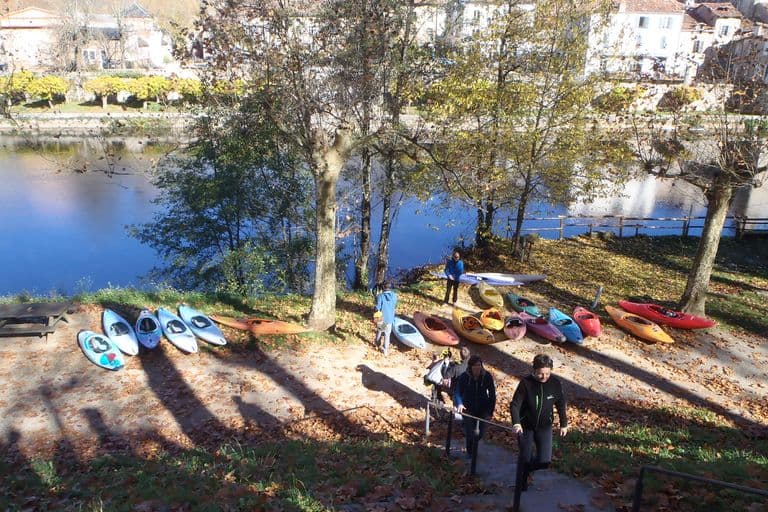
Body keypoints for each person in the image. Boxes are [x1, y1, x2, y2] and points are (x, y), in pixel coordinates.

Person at [509, 354, 568, 492]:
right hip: (526, 427)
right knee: (525, 457)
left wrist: (564, 423)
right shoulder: (526, 383)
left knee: (544, 461)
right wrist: (516, 423)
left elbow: (560, 404)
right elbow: (515, 405)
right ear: (534, 370)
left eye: (547, 373)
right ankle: (521, 484)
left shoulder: (555, 384)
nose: (544, 377)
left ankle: (526, 470)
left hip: (544, 427)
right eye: (541, 373)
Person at [453, 355, 496, 458]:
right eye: (475, 366)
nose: (477, 368)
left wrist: (490, 411)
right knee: (470, 432)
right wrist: (459, 403)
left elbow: (492, 394)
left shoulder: (486, 376)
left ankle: (474, 446)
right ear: (470, 367)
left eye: (479, 365)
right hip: (467, 408)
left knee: (480, 433)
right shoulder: (464, 377)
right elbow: (457, 392)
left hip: (483, 408)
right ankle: (470, 452)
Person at [373, 281, 397, 356]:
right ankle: (385, 350)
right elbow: (394, 305)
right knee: (387, 334)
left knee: (379, 331)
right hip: (390, 318)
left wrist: (375, 306)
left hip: (381, 317)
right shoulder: (394, 295)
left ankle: (377, 343)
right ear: (390, 287)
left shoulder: (380, 296)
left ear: (383, 288)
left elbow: (377, 308)